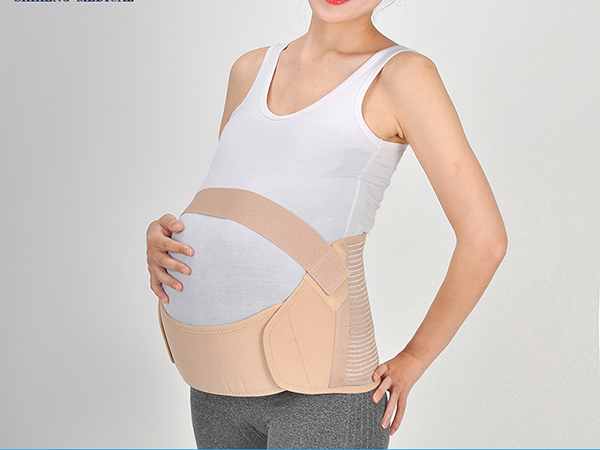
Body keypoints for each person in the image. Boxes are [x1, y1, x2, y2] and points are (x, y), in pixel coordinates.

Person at [146, 0, 508, 448]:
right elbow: (237, 201)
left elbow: (485, 240)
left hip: (323, 396)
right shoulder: (249, 69)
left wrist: (415, 357)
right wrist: (168, 238)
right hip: (212, 382)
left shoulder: (401, 76)